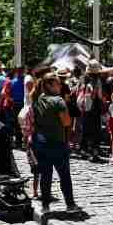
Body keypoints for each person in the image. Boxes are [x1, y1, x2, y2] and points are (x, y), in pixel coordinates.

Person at [31, 72, 80, 213]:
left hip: (41, 142)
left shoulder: (38, 99)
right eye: (57, 83)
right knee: (64, 175)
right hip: (57, 142)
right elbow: (66, 121)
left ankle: (45, 206)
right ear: (49, 85)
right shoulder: (58, 101)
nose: (60, 85)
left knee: (45, 175)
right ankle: (70, 205)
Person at [78, 60, 104, 161]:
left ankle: (83, 150)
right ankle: (94, 152)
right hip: (94, 107)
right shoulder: (97, 81)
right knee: (95, 130)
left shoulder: (83, 79)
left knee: (85, 129)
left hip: (84, 107)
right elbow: (100, 95)